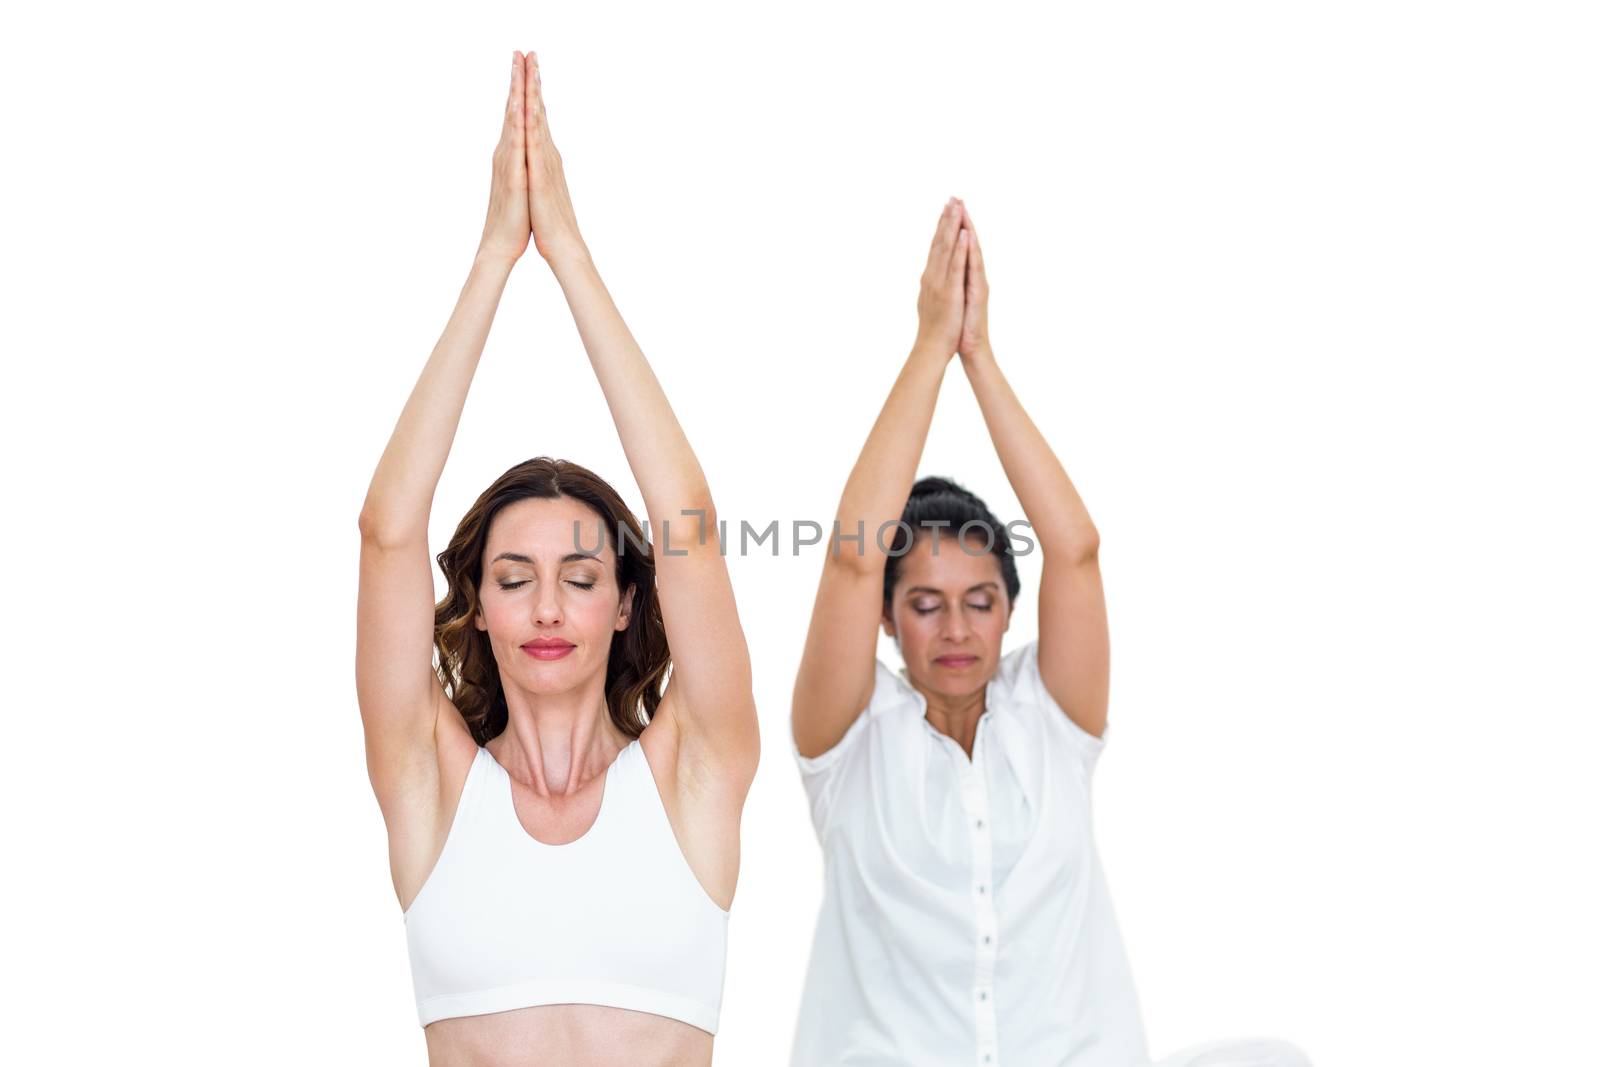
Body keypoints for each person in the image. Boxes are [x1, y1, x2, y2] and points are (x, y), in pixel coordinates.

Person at [788, 198, 1310, 1067]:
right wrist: (929, 348)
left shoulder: (1051, 716)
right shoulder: (844, 742)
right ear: (884, 617)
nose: (956, 626)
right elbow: (851, 557)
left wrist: (980, 356)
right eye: (924, 603)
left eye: (981, 599)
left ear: (1010, 608)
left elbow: (1077, 549)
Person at [355, 51, 758, 1067]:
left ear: (628, 602)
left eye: (582, 577)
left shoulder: (696, 771)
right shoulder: (428, 781)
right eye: (512, 576)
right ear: (477, 605)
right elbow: (388, 532)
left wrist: (567, 250)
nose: (546, 606)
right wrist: (495, 255)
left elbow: (689, 523)